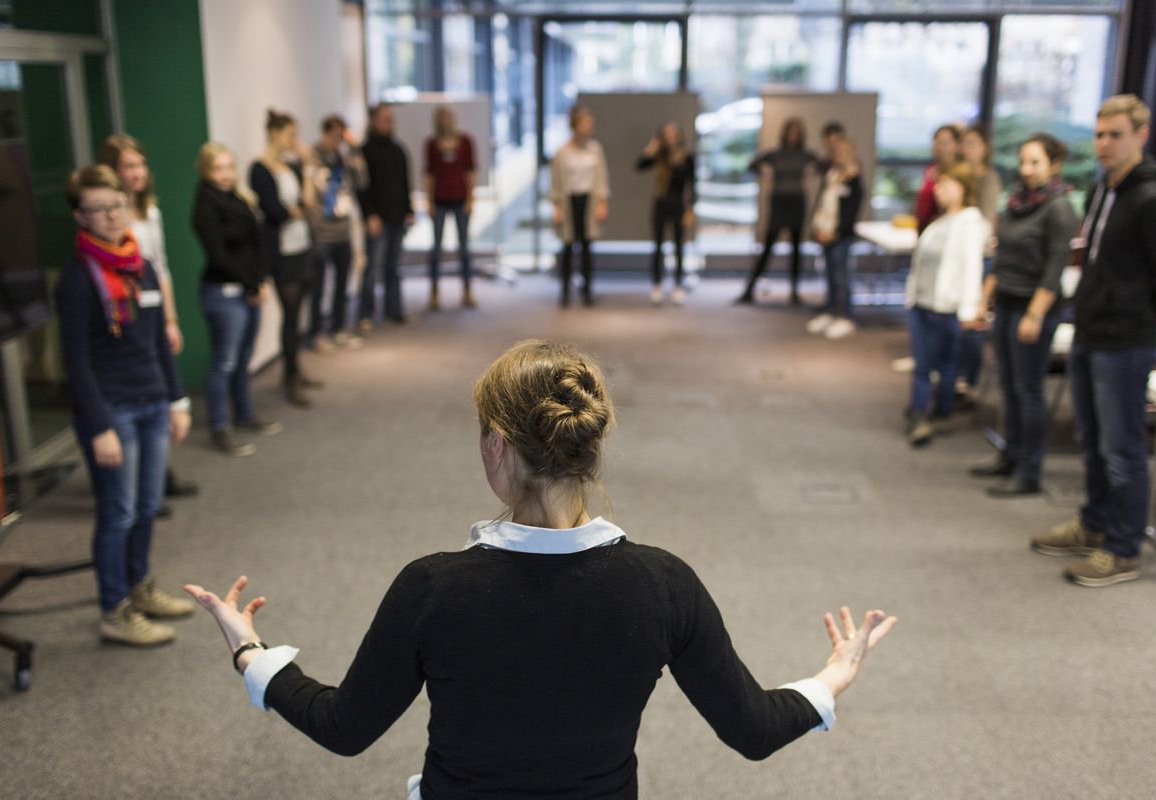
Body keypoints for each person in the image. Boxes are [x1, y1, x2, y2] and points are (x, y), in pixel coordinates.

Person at [185, 339, 897, 799]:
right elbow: (754, 729)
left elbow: (343, 727)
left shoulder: (433, 588)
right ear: (589, 446)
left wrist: (252, 653)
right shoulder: (663, 585)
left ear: (496, 446)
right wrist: (833, 675)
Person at [1030, 95, 1156, 587]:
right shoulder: (1103, 189)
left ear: (1141, 135)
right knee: (1092, 442)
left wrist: (1150, 322)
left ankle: (1122, 549)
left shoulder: (1153, 200)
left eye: (1115, 134)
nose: (1104, 144)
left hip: (1126, 338)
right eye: (1099, 135)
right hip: (1092, 331)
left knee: (1122, 449)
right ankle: (1094, 525)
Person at [56, 165, 194, 645]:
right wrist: (99, 427)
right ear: (81, 216)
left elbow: (159, 343)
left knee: (148, 506)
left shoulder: (142, 266)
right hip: (112, 410)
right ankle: (114, 609)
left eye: (117, 205)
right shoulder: (77, 279)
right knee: (118, 512)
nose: (112, 215)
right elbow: (75, 360)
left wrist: (176, 400)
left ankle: (139, 588)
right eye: (98, 208)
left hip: (154, 401)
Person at [970, 134, 1077, 497]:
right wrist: (986, 299)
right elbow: (1002, 258)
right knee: (1009, 386)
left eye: (1035, 162)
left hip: (1035, 307)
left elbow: (1054, 267)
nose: (1026, 169)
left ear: (1054, 165)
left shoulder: (1059, 208)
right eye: (1023, 161)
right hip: (1007, 302)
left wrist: (1034, 314)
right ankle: (1010, 455)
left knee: (1029, 390)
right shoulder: (1016, 203)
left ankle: (1030, 472)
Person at [98, 133, 199, 507]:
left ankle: (159, 475)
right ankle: (141, 483)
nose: (137, 172)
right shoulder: (110, 219)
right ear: (113, 171)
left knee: (162, 392)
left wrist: (170, 320)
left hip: (153, 313)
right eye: (129, 166)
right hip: (126, 317)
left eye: (141, 165)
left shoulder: (150, 210)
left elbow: (161, 268)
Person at [192, 142, 281, 458]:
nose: (225, 174)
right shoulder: (205, 207)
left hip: (249, 290)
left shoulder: (238, 200)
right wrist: (251, 284)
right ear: (206, 171)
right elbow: (219, 255)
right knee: (224, 362)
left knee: (244, 358)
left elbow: (255, 244)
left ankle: (244, 415)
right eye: (218, 168)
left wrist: (260, 279)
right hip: (223, 294)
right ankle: (220, 426)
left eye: (229, 167)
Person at [904, 161, 990, 447]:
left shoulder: (970, 221)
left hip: (946, 307)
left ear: (963, 188)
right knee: (923, 364)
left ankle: (939, 412)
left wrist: (969, 309)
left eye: (945, 185)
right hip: (922, 302)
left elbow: (971, 267)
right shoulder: (938, 220)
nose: (938, 191)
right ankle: (920, 412)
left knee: (946, 366)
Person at [250, 109, 320, 408]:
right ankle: (289, 376)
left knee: (299, 313)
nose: (295, 140)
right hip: (281, 254)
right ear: (274, 134)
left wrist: (306, 167)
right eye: (290, 134)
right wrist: (293, 210)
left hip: (302, 246)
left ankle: (294, 369)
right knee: (289, 316)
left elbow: (308, 203)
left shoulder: (291, 166)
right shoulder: (259, 169)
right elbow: (276, 212)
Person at [737, 118, 819, 305]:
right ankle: (749, 290)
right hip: (779, 201)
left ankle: (795, 292)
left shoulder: (805, 155)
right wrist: (764, 173)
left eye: (797, 132)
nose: (793, 136)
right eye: (791, 132)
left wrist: (812, 171)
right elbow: (752, 164)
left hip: (797, 201)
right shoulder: (776, 154)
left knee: (796, 247)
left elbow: (822, 164)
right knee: (767, 246)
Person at [306, 114, 363, 352]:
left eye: (342, 135)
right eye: (336, 134)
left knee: (342, 284)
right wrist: (315, 226)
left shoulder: (344, 157)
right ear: (326, 132)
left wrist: (354, 150)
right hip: (322, 234)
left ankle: (338, 329)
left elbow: (361, 182)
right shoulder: (312, 156)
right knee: (319, 288)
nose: (339, 139)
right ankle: (317, 333)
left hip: (342, 231)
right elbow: (310, 194)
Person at [955, 125, 1003, 400]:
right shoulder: (959, 176)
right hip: (959, 257)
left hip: (979, 257)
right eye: (965, 143)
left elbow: (985, 222)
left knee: (972, 319)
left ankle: (969, 381)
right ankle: (956, 374)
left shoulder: (988, 178)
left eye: (973, 143)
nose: (967, 149)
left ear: (985, 147)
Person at [357, 102, 414, 327]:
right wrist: (370, 214)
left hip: (398, 217)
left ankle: (394, 310)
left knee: (394, 266)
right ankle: (366, 314)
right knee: (372, 268)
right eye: (384, 118)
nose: (389, 122)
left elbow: (405, 183)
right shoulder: (365, 152)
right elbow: (362, 188)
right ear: (373, 121)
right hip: (377, 219)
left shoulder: (399, 149)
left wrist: (409, 210)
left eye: (391, 118)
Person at [550, 104, 610, 307]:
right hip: (569, 202)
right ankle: (565, 291)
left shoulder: (595, 149)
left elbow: (601, 178)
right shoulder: (562, 152)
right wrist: (557, 207)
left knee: (586, 247)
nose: (588, 127)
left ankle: (587, 290)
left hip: (589, 202)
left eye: (590, 124)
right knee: (567, 246)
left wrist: (602, 202)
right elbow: (556, 182)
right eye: (585, 123)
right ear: (575, 125)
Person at [806, 137, 864, 340]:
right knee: (830, 275)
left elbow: (850, 213)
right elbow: (822, 203)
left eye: (843, 153)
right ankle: (831, 311)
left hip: (840, 235)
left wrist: (835, 232)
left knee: (842, 277)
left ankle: (845, 316)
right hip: (824, 230)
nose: (839, 157)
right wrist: (817, 229)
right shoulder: (831, 175)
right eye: (836, 153)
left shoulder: (854, 179)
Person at [636, 122, 696, 306]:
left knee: (679, 246)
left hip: (678, 203)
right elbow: (639, 165)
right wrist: (653, 146)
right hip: (660, 202)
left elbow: (692, 184)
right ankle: (657, 285)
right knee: (658, 245)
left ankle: (678, 284)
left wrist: (690, 207)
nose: (670, 137)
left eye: (672, 133)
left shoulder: (686, 156)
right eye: (666, 134)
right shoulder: (658, 156)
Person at [424, 105, 477, 310]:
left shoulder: (465, 142)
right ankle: (435, 292)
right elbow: (429, 175)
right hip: (439, 201)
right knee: (436, 248)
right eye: (441, 118)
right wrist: (428, 202)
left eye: (447, 117)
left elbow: (471, 173)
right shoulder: (431, 144)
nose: (445, 121)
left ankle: (467, 291)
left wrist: (471, 199)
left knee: (464, 248)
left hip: (460, 199)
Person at [914, 125, 961, 234]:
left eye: (944, 142)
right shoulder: (931, 169)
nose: (939, 147)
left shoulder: (957, 174)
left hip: (942, 232)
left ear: (957, 145)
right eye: (937, 142)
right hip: (924, 230)